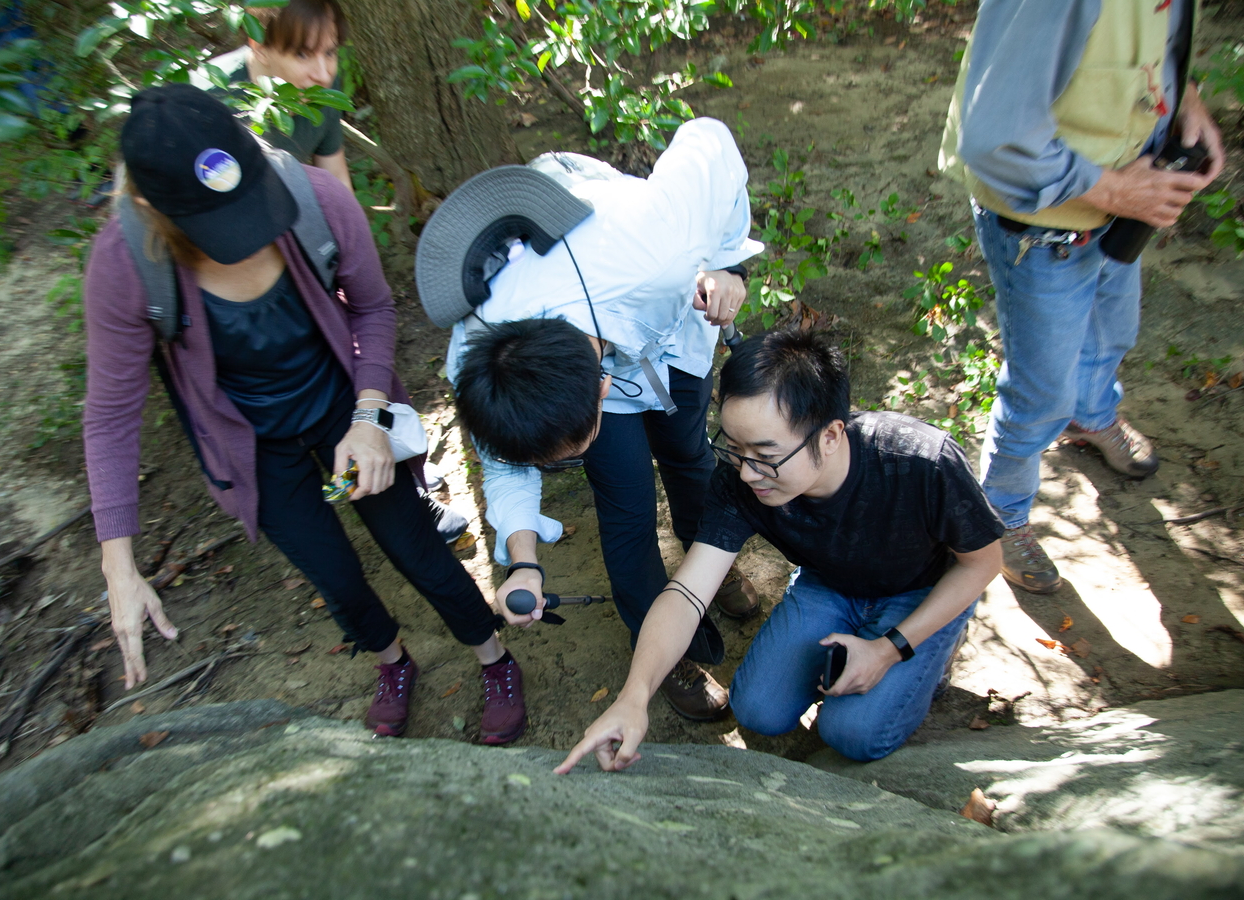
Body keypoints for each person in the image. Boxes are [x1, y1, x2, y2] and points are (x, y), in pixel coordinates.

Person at [83, 83, 525, 744]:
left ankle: (495, 659)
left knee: (415, 547)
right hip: (253, 449)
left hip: (342, 408)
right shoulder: (124, 265)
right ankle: (392, 663)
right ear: (152, 208)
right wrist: (118, 564)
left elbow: (373, 308)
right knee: (336, 577)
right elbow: (111, 415)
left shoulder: (315, 199)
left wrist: (369, 416)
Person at [414, 119, 765, 721]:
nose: (564, 465)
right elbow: (504, 466)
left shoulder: (658, 247)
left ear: (602, 389)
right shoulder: (484, 356)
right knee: (625, 506)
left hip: (672, 332)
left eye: (573, 449)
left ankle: (711, 565)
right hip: (590, 353)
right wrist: (522, 558)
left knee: (689, 458)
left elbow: (710, 140)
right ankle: (663, 648)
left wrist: (730, 264)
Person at [556, 327, 1004, 771]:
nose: (749, 473)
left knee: (852, 734)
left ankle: (935, 646)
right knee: (759, 712)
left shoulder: (920, 461)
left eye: (766, 455)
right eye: (733, 449)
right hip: (828, 583)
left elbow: (982, 565)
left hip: (921, 590)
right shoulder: (738, 481)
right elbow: (687, 594)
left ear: (830, 436)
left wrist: (888, 649)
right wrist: (634, 697)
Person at [938, 0, 1223, 592]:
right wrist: (1118, 191)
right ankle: (1000, 517)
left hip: (1120, 205)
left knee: (1112, 331)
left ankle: (1091, 418)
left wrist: (1185, 98)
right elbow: (993, 136)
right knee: (1041, 390)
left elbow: (1156, 41)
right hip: (1045, 227)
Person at [197, 0, 352, 191]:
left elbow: (335, 177)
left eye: (330, 52)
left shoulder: (322, 89)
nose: (323, 74)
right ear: (260, 49)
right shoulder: (207, 101)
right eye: (302, 55)